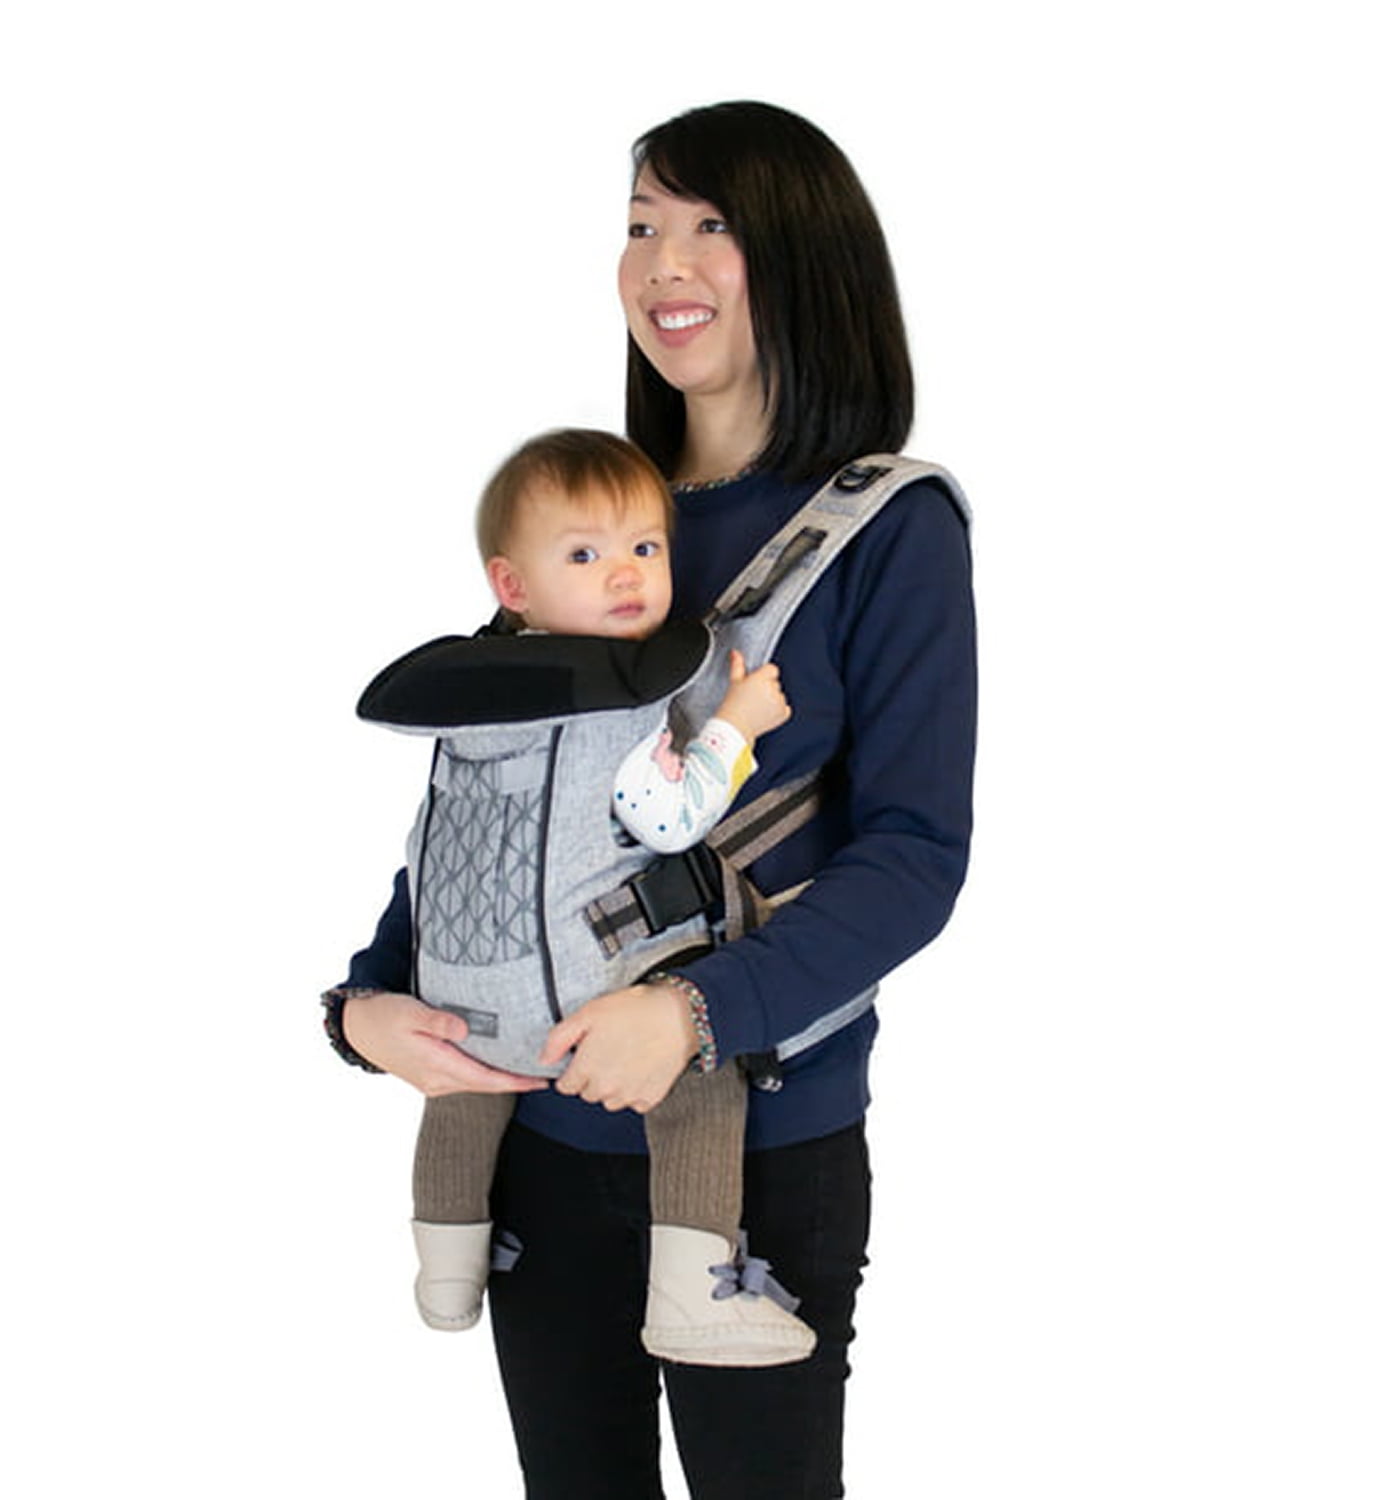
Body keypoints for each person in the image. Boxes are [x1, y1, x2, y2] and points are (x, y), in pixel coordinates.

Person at [325, 100, 976, 1498]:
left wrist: (690, 1012)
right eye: (639, 226)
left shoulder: (887, 528)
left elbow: (915, 858)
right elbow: (497, 798)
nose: (662, 264)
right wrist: (366, 1006)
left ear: (805, 255)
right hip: (533, 1133)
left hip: (757, 1142)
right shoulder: (592, 508)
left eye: (708, 225)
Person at [375, 425, 813, 1365]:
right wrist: (735, 725)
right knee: (703, 1079)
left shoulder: (471, 699)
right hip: (587, 1001)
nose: (626, 574)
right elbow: (669, 817)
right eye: (585, 555)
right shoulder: (622, 696)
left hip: (457, 995)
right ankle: (693, 1291)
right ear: (512, 585)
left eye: (645, 548)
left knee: (466, 1092)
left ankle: (446, 1265)